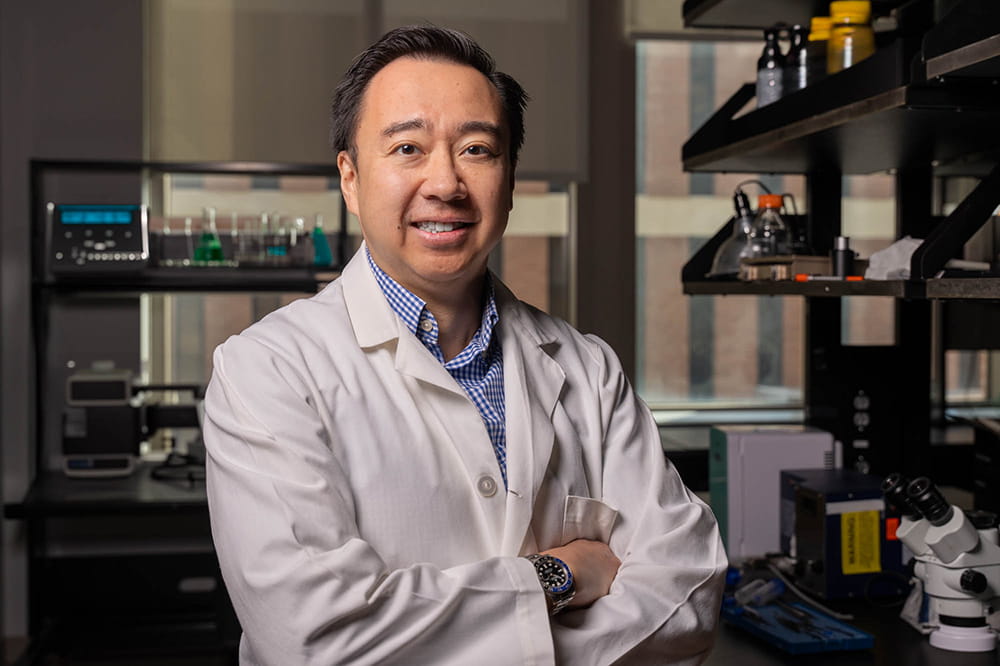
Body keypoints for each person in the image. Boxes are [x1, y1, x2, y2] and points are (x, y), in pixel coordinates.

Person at [203, 25, 727, 665]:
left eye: (477, 149)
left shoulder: (588, 369)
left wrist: (465, 632)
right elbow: (315, 639)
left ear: (509, 181)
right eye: (407, 148)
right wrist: (556, 578)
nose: (445, 183)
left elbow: (691, 589)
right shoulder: (266, 372)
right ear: (350, 177)